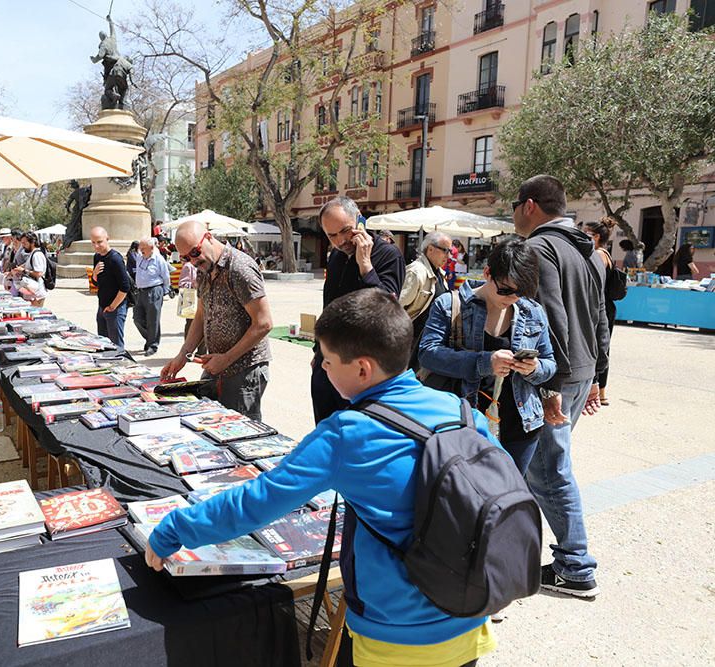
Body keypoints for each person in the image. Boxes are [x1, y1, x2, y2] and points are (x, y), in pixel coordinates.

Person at [146, 289, 498, 667]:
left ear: (362, 368)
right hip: (468, 620)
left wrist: (173, 530)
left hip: (395, 639)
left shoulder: (348, 431)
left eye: (326, 361)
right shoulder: (463, 413)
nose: (322, 369)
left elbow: (256, 502)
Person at [513, 174, 607, 598]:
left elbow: (547, 320)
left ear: (529, 205)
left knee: (549, 471)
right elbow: (602, 318)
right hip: (580, 371)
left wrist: (550, 387)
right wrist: (598, 377)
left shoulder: (538, 247)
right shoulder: (587, 250)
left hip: (557, 375)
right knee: (549, 468)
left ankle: (575, 566)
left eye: (516, 205)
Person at [419, 240, 557, 473]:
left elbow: (550, 363)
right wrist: (484, 362)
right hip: (463, 422)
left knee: (507, 499)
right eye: (505, 290)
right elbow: (427, 353)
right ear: (487, 273)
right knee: (463, 495)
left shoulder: (532, 311)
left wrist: (534, 368)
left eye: (520, 292)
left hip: (519, 426)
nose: (512, 298)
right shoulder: (450, 304)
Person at [161, 220, 272, 420]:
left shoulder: (240, 268)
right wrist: (183, 354)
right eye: (185, 257)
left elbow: (264, 323)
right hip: (217, 366)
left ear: (209, 237)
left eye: (195, 252)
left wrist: (227, 358)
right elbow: (202, 315)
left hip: (243, 370)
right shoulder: (204, 269)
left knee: (238, 434)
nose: (193, 261)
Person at [313, 196, 405, 423]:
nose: (340, 240)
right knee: (326, 431)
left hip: (363, 370)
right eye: (331, 235)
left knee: (355, 434)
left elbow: (387, 308)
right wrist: (318, 351)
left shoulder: (388, 255)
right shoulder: (335, 256)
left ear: (360, 221)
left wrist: (366, 266)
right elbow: (329, 306)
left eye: (345, 230)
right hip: (328, 363)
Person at [399, 232, 452, 370]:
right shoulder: (417, 272)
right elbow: (397, 307)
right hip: (411, 341)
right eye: (445, 250)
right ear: (430, 249)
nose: (449, 256)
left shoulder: (439, 272)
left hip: (427, 341)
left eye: (450, 251)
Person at [583, 218, 618, 406]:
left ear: (596, 237)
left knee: (600, 347)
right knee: (602, 347)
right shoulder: (605, 253)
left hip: (601, 307)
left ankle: (599, 391)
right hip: (606, 305)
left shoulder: (598, 254)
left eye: (586, 233)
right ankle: (602, 391)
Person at [90, 226, 130, 350]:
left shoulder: (115, 259)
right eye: (93, 242)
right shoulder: (97, 257)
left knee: (116, 346)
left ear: (107, 239)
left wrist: (113, 307)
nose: (96, 246)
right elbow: (97, 284)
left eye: (99, 242)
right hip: (102, 306)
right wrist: (94, 274)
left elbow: (125, 287)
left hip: (115, 308)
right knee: (103, 344)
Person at [132, 237, 171, 357]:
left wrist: (165, 291)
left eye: (143, 248)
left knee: (152, 319)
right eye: (140, 248)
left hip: (154, 290)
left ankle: (152, 345)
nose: (141, 250)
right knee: (137, 318)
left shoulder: (158, 259)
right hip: (140, 291)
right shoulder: (139, 258)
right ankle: (149, 338)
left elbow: (166, 276)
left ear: (152, 248)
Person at [11, 232, 49, 307]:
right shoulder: (32, 253)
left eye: (25, 243)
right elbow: (26, 265)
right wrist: (17, 270)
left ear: (32, 242)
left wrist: (23, 271)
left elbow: (39, 273)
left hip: (36, 294)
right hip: (32, 293)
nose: (23, 246)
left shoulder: (37, 255)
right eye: (22, 243)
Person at [177, 258, 206, 355]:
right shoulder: (188, 266)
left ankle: (202, 352)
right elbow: (182, 283)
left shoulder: (206, 266)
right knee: (191, 325)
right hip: (192, 300)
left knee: (205, 325)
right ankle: (188, 351)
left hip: (204, 298)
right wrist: (194, 284)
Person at [125, 240, 141, 307]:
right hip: (132, 272)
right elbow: (135, 261)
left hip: (136, 271)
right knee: (132, 286)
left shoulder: (136, 252)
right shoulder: (131, 252)